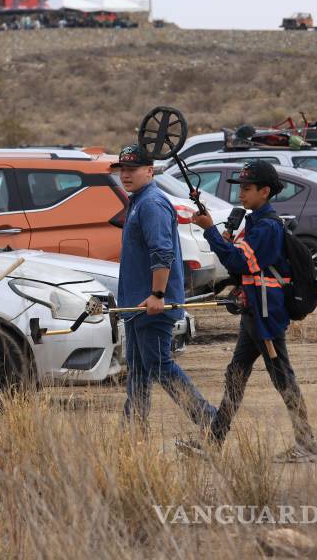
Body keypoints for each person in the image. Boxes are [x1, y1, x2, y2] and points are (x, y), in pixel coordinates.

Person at [180, 161, 317, 463]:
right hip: (254, 310)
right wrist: (220, 238)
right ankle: (213, 442)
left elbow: (240, 262)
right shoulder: (254, 221)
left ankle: (307, 445)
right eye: (240, 188)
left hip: (266, 315)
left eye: (247, 188)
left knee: (282, 377)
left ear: (264, 191)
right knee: (236, 374)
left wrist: (210, 231)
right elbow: (240, 266)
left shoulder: (267, 227)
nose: (240, 194)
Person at [110, 145, 215, 430]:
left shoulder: (152, 204)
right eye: (123, 170)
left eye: (132, 169)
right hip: (135, 305)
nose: (126, 175)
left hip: (153, 305)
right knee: (139, 370)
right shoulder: (138, 201)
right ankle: (133, 429)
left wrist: (158, 294)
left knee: (159, 366)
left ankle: (209, 420)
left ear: (150, 171)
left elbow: (162, 253)